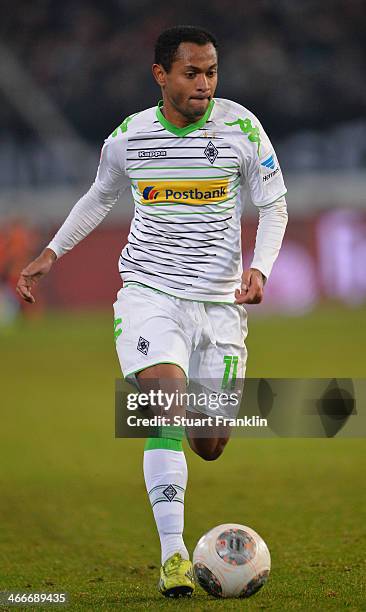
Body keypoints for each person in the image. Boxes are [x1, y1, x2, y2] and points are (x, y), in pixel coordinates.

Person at [16, 25, 288, 598]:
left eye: (212, 73)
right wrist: (50, 252)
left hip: (219, 306)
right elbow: (100, 195)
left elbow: (274, 202)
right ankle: (174, 557)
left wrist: (259, 268)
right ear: (161, 75)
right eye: (192, 73)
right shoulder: (130, 138)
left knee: (210, 441)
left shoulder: (240, 127)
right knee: (165, 401)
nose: (205, 85)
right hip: (150, 292)